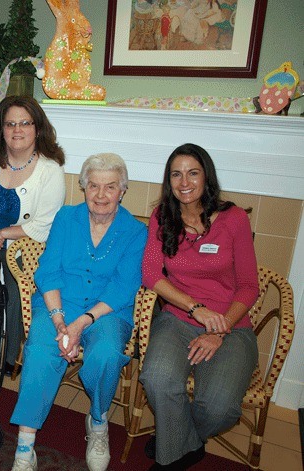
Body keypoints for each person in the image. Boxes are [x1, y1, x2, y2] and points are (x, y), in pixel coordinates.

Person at [9, 153, 147, 471]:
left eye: (110, 187)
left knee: (108, 354)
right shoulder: (66, 219)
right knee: (41, 351)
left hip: (107, 311)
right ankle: (25, 445)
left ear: (122, 190)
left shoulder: (136, 232)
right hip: (61, 303)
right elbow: (49, 272)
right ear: (83, 187)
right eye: (93, 186)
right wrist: (59, 321)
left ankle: (98, 422)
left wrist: (81, 324)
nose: (100, 195)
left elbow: (123, 287)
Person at [140, 143, 259, 470]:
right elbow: (151, 274)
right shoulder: (162, 216)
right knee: (157, 379)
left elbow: (250, 286)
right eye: (176, 174)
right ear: (169, 181)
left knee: (220, 408)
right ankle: (174, 456)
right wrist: (195, 309)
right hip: (178, 319)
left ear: (207, 177)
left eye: (193, 172)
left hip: (232, 326)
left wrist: (219, 330)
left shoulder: (233, 219)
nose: (184, 181)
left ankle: (176, 436)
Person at [0, 95, 66, 376]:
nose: (17, 130)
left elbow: (43, 224)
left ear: (38, 128)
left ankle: (4, 356)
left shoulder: (50, 170)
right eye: (10, 124)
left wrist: (2, 234)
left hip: (18, 242)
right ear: (1, 129)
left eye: (25, 123)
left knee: (13, 281)